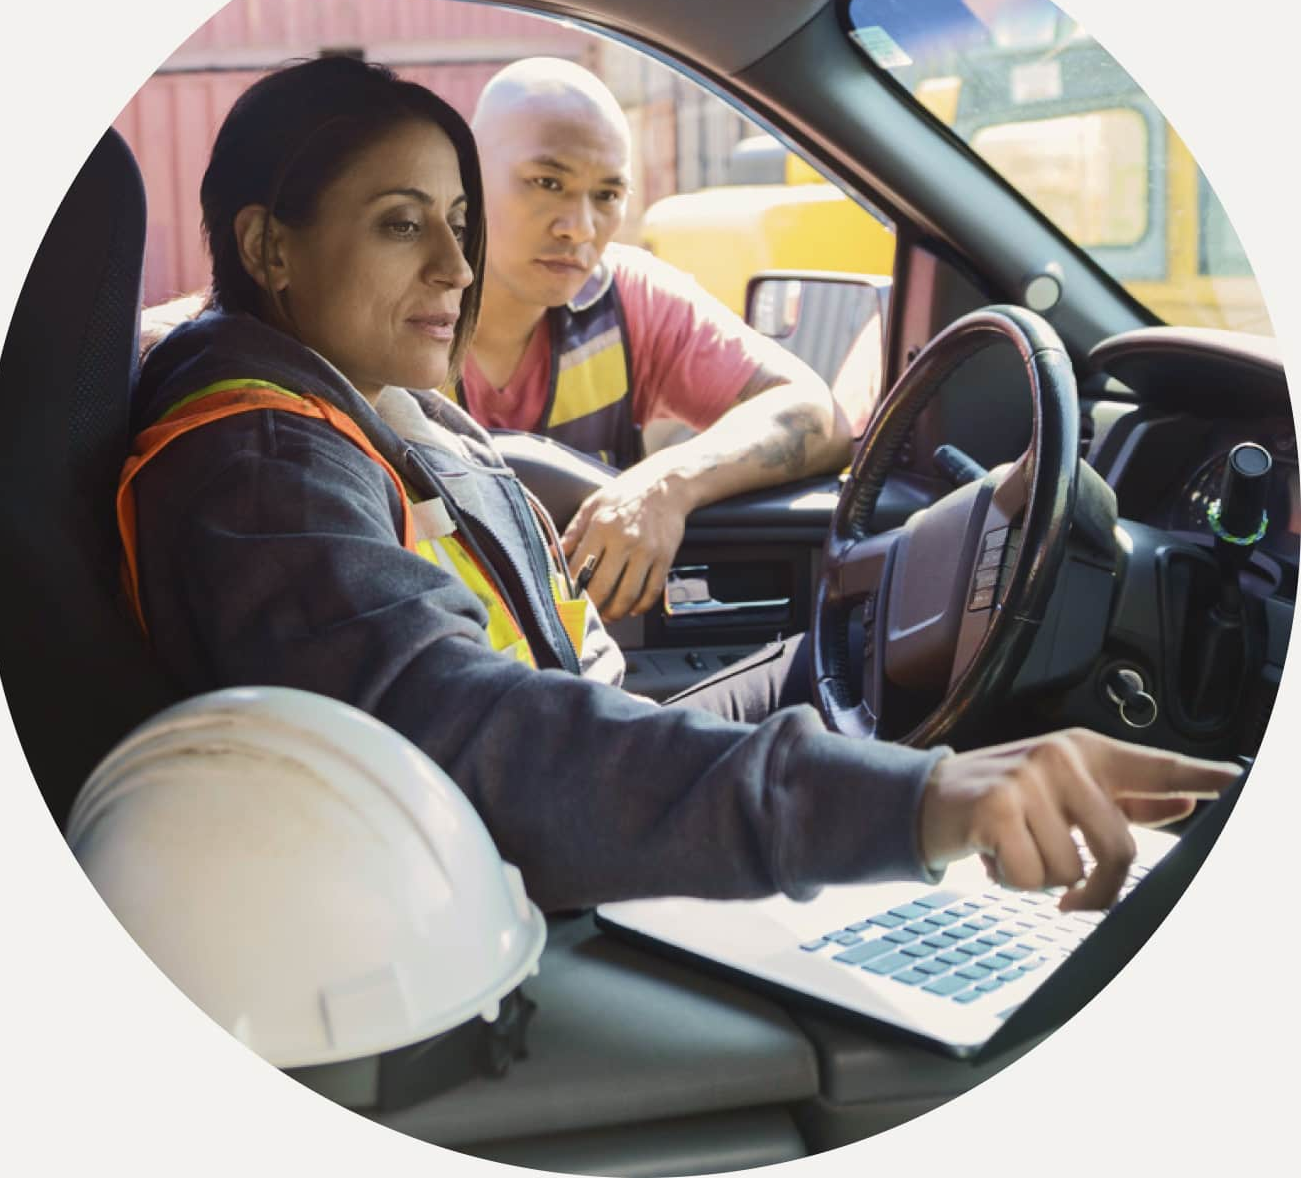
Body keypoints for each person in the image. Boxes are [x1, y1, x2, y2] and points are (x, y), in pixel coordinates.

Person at [120, 56, 1236, 919]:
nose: (456, 270)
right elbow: (467, 744)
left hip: (562, 736)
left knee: (851, 660)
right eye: (403, 225)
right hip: (507, 878)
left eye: (459, 225)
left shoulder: (344, 391)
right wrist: (923, 802)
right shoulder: (265, 467)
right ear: (270, 246)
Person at [462, 58, 855, 621]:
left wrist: (666, 484)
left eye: (606, 195)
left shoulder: (629, 296)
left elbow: (816, 417)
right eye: (546, 182)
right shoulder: (392, 308)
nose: (579, 227)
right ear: (467, 176)